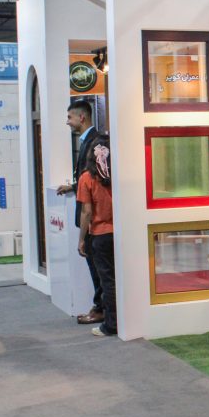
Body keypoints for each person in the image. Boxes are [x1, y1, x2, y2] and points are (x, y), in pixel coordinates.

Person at [57, 99, 104, 325]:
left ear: (81, 117)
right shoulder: (88, 141)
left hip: (95, 219)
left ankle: (101, 309)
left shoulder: (95, 142)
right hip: (92, 219)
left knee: (98, 269)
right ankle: (101, 307)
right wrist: (72, 187)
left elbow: (94, 180)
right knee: (95, 267)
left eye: (70, 117)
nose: (67, 122)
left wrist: (84, 230)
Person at [76, 135, 116, 337]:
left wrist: (82, 239)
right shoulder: (117, 175)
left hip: (100, 235)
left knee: (107, 281)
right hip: (121, 233)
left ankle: (111, 324)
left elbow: (87, 212)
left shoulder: (86, 178)